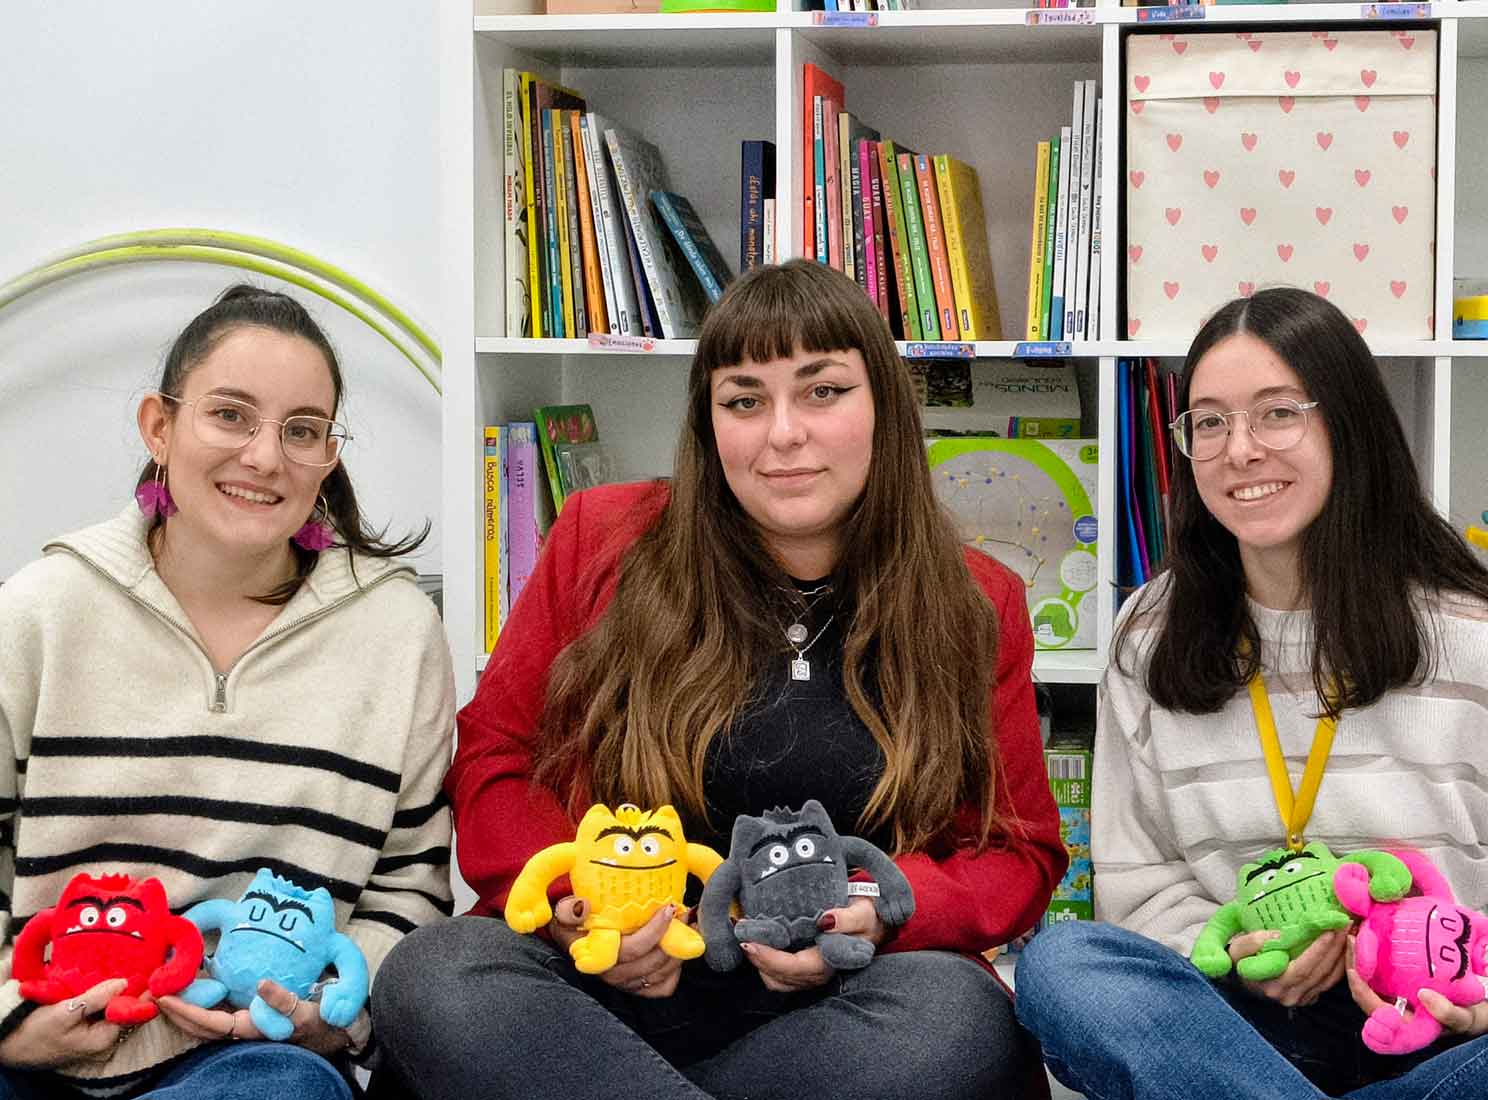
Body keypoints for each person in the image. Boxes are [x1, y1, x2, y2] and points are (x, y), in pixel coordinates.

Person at [372, 259, 1067, 1099]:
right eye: (744, 400)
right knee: (435, 970)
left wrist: (881, 909)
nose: (783, 432)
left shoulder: (976, 599)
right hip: (599, 997)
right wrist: (574, 904)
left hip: (839, 1005)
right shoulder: (602, 539)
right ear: (709, 425)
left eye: (823, 391)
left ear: (884, 406)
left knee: (960, 1018)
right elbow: (497, 755)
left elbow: (1018, 847)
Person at [1014, 287, 1488, 1098]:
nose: (1239, 449)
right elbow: (1143, 891)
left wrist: (1478, 1003)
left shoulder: (1486, 642)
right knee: (1064, 964)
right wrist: (1240, 957)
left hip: (1446, 1039)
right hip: (1235, 1032)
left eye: (1278, 413)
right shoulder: (1150, 635)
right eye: (1208, 421)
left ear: (1348, 423)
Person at [0, 285, 455, 1098]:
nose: (265, 458)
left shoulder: (397, 630)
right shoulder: (39, 611)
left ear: (329, 456)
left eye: (303, 431)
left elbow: (411, 881)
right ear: (159, 426)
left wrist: (327, 1015)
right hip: (40, 1051)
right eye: (231, 415)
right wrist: (10, 1020)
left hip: (252, 1061)